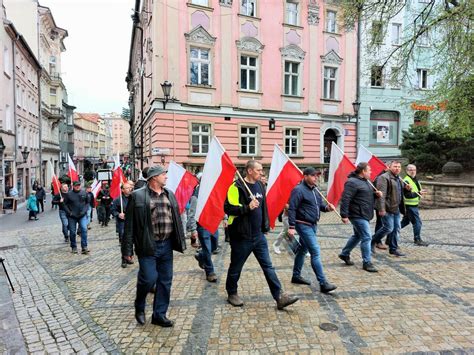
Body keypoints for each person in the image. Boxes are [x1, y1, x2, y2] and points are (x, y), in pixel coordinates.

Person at [224, 160, 298, 310]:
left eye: (261, 170)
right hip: (242, 236)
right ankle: (232, 293)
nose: (261, 172)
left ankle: (279, 297)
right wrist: (247, 207)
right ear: (250, 171)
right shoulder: (236, 187)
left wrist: (265, 224)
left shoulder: (260, 186)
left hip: (258, 236)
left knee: (268, 266)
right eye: (258, 170)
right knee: (236, 267)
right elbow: (228, 208)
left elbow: (263, 207)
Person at [122, 165, 186, 327]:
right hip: (147, 245)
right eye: (163, 174)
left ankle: (159, 315)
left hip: (167, 245)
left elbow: (177, 220)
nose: (166, 176)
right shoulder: (137, 196)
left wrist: (181, 240)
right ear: (153, 177)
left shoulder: (169, 194)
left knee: (165, 281)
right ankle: (140, 306)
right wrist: (127, 250)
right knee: (149, 279)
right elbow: (129, 225)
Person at [288, 167, 337, 293]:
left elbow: (318, 206)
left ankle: (296, 275)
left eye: (317, 176)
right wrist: (292, 226)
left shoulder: (315, 190)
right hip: (302, 224)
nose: (316, 178)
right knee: (315, 251)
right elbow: (292, 208)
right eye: (313, 176)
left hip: (313, 224)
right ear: (305, 176)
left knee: (302, 250)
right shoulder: (298, 190)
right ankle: (323, 283)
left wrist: (327, 208)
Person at [338, 163, 383, 273]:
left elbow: (365, 195)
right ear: (363, 171)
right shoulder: (352, 182)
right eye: (369, 170)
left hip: (365, 213)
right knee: (367, 237)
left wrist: (376, 195)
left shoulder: (366, 181)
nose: (371, 172)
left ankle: (344, 254)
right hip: (357, 214)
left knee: (358, 235)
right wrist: (344, 215)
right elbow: (345, 199)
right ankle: (367, 262)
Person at [371, 161, 411, 257]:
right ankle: (372, 241)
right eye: (395, 166)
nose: (397, 168)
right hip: (387, 208)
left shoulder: (399, 178)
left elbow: (400, 192)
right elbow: (381, 195)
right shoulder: (383, 178)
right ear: (389, 167)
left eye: (399, 167)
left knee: (396, 228)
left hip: (396, 208)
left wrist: (406, 189)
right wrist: (381, 209)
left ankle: (393, 249)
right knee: (388, 228)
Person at [189, 181, 218, 282]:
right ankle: (210, 272)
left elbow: (219, 207)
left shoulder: (212, 193)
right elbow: (191, 214)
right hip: (202, 226)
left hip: (213, 224)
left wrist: (225, 218)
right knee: (207, 248)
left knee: (214, 246)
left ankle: (200, 256)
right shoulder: (195, 197)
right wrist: (193, 230)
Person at [401, 164, 429, 246]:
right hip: (410, 206)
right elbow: (407, 195)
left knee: (405, 222)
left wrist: (420, 192)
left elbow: (417, 191)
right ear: (407, 171)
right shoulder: (406, 181)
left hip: (414, 205)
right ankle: (417, 239)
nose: (413, 171)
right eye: (410, 170)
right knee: (417, 222)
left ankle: (391, 233)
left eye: (414, 170)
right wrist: (419, 193)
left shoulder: (414, 179)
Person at [63, 181, 90, 254]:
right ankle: (73, 247)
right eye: (76, 186)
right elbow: (64, 204)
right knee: (72, 232)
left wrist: (84, 211)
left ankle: (84, 247)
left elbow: (87, 203)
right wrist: (69, 212)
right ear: (73, 186)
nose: (77, 187)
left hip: (82, 215)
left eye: (78, 185)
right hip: (72, 216)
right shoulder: (69, 194)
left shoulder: (84, 193)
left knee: (84, 229)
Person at [112, 181, 134, 267]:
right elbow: (113, 210)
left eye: (130, 188)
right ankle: (124, 258)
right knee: (124, 239)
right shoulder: (118, 200)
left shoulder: (134, 198)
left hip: (132, 221)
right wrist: (118, 214)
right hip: (123, 222)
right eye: (127, 188)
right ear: (122, 190)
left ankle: (129, 255)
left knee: (131, 240)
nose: (129, 189)